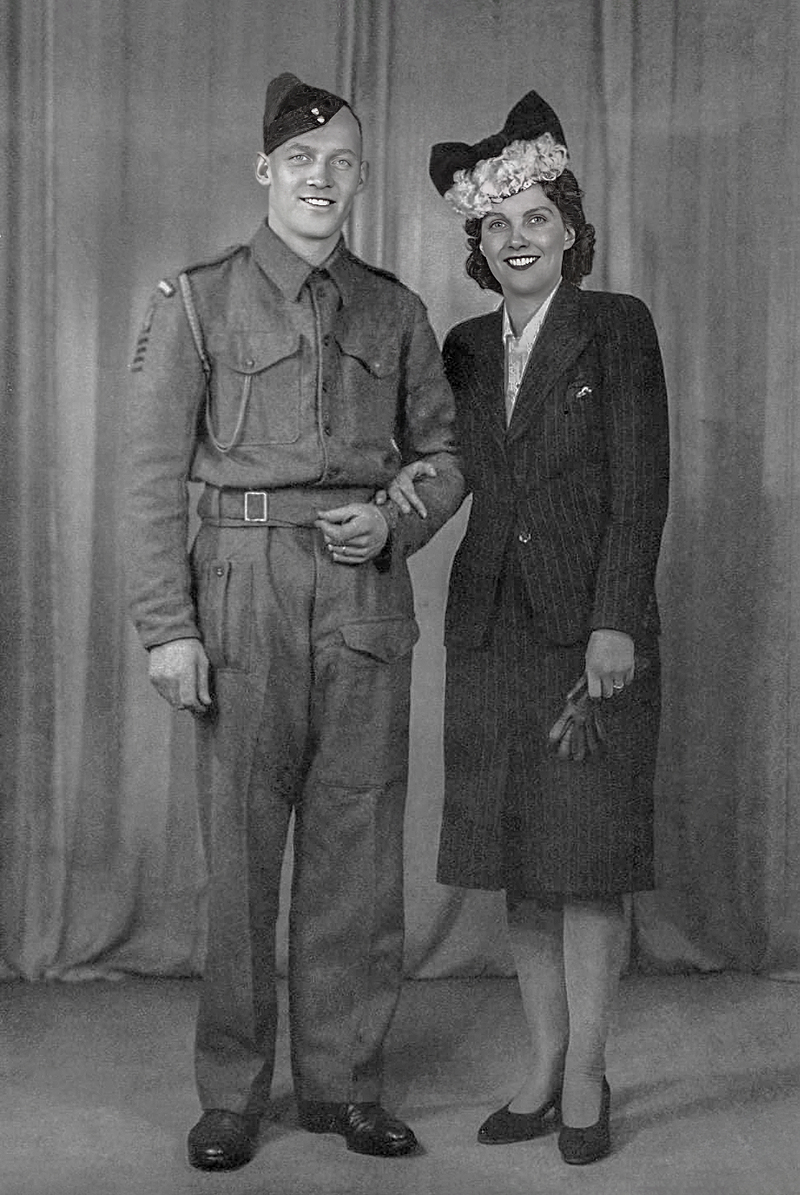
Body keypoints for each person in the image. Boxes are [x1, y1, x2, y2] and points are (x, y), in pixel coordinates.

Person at [125, 72, 463, 1171]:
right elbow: (147, 479)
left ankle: (346, 1083)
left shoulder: (394, 311)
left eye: (343, 164)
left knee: (357, 856)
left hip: (359, 596)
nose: (322, 179)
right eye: (302, 162)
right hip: (239, 589)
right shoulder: (198, 302)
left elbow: (444, 457)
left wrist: (397, 520)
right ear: (263, 172)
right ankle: (231, 1090)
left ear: (360, 180)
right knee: (240, 857)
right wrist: (165, 627)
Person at [393, 89, 669, 1165]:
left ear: (568, 231)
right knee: (518, 858)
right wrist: (384, 521)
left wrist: (615, 624)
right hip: (490, 635)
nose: (515, 240)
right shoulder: (462, 346)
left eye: (534, 221)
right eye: (495, 226)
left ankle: (591, 1068)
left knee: (584, 861)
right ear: (478, 241)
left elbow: (640, 487)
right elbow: (445, 477)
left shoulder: (617, 325)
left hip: (586, 639)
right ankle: (542, 1065)